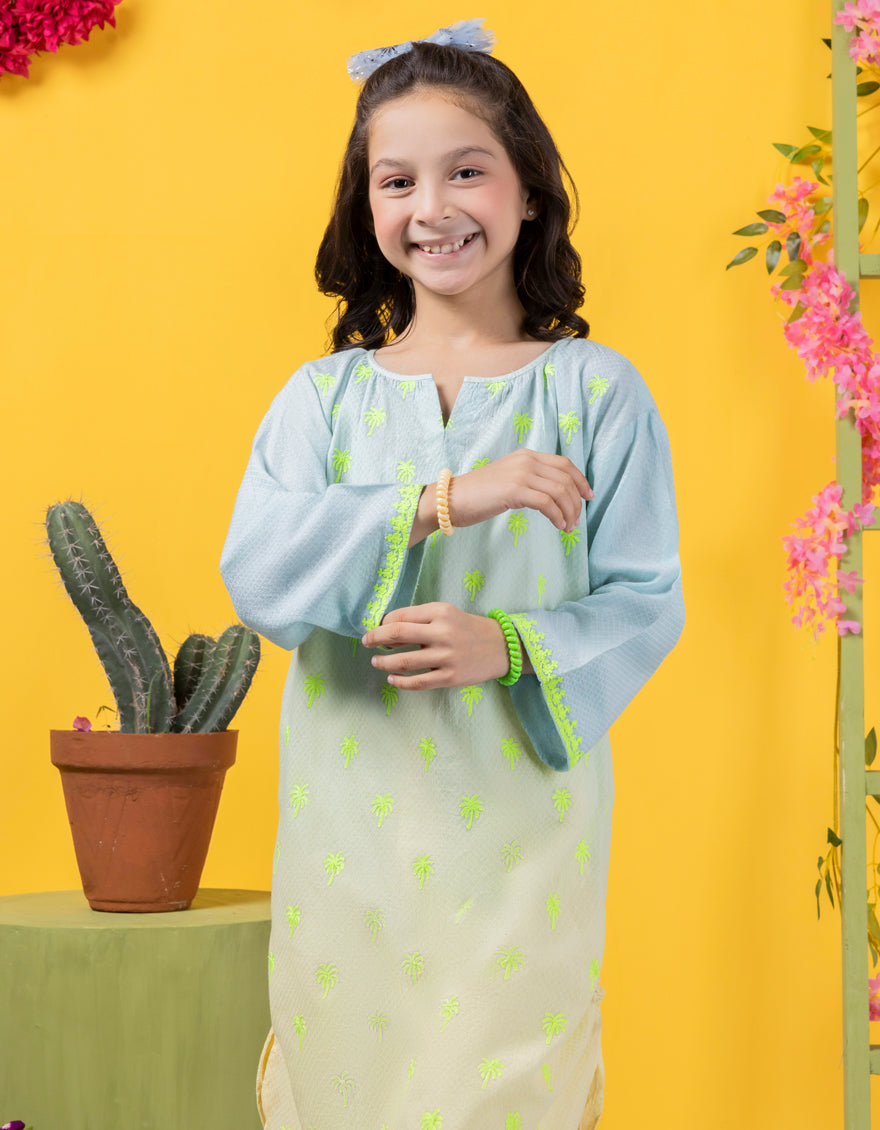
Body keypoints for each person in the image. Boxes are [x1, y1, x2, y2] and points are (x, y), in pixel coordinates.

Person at [220, 19, 684, 1130]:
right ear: (366, 207)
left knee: (504, 1086)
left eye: (466, 170)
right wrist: (444, 498)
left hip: (521, 835)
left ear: (528, 189)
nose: (432, 207)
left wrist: (510, 643)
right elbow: (260, 568)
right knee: (346, 1087)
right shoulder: (322, 399)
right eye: (397, 180)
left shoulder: (597, 392)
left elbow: (645, 599)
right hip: (346, 836)